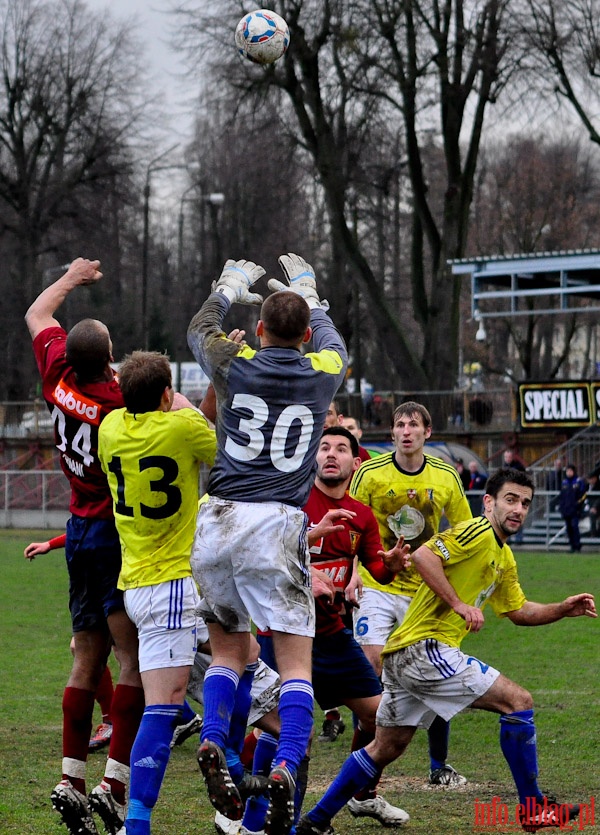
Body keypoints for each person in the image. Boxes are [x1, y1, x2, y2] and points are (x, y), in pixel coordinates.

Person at [297, 468, 595, 835]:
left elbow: (517, 611)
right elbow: (424, 556)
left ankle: (316, 819)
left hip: (407, 654)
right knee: (518, 701)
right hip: (425, 648)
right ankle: (532, 807)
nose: (518, 509)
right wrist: (457, 603)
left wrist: (561, 609)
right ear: (489, 503)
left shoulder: (502, 556)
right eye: (511, 500)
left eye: (525, 503)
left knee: (386, 747)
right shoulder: (477, 531)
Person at [187, 253, 348, 835]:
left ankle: (216, 745)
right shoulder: (322, 367)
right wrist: (310, 291)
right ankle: (283, 766)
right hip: (276, 523)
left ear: (259, 329)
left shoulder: (237, 361)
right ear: (304, 335)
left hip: (217, 519)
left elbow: (199, 330)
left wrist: (229, 286)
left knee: (228, 654)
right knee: (296, 662)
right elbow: (333, 340)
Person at [25, 258, 145, 835]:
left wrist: (72, 276)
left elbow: (36, 312)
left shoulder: (57, 378)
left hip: (76, 529)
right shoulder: (119, 406)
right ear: (110, 359)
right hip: (114, 534)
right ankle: (112, 783)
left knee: (84, 656)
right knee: (131, 661)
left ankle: (69, 779)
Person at [97, 350, 216, 835]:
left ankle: (232, 752)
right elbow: (209, 437)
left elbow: (157, 408)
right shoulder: (181, 428)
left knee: (243, 669)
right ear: (168, 394)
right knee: (164, 706)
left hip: (136, 585)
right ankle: (137, 823)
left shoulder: (109, 429)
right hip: (170, 584)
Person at [349, 401, 471, 788]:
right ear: (392, 433)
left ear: (427, 433)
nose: (406, 431)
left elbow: (466, 532)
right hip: (377, 584)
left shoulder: (446, 476)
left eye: (413, 425)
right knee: (371, 665)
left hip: (424, 592)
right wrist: (353, 574)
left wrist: (452, 578)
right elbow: (350, 527)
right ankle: (365, 765)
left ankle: (439, 765)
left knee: (438, 672)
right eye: (399, 424)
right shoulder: (369, 474)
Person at [305, 426, 410, 826]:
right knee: (279, 729)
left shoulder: (361, 516)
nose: (331, 454)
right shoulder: (293, 501)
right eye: (324, 447)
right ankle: (237, 798)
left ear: (356, 461)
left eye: (341, 448)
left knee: (381, 718)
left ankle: (363, 795)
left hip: (333, 638)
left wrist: (393, 565)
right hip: (285, 636)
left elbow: (378, 570)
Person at [25, 533, 115, 752]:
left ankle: (115, 722)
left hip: (122, 576)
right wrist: (50, 544)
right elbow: (90, 525)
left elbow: (98, 524)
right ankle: (113, 721)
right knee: (134, 656)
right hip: (110, 576)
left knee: (136, 657)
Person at [558, 464, 588, 553]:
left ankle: (577, 545)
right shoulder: (564, 483)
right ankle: (572, 546)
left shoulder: (578, 482)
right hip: (566, 510)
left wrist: (577, 505)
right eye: (567, 471)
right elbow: (562, 496)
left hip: (575, 509)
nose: (568, 473)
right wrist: (561, 507)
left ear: (573, 471)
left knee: (575, 527)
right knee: (569, 528)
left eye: (570, 471)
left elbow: (583, 495)